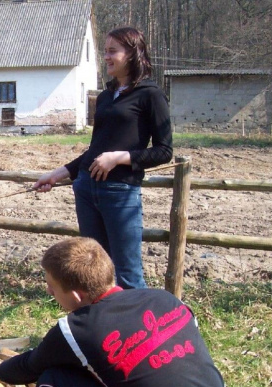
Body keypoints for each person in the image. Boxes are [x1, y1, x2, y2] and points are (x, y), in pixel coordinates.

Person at [0, 237, 238, 387]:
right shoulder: (165, 299)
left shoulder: (78, 329)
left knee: (52, 383)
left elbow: (31, 366)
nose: (49, 291)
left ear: (77, 296)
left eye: (52, 287)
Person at [33, 27, 173, 290]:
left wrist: (120, 157)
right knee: (95, 273)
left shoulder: (150, 94)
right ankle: (104, 328)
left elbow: (164, 151)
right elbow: (95, 150)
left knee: (129, 275)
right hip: (86, 189)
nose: (106, 57)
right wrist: (58, 173)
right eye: (105, 51)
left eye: (112, 51)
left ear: (133, 54)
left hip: (120, 192)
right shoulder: (106, 97)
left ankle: (139, 330)